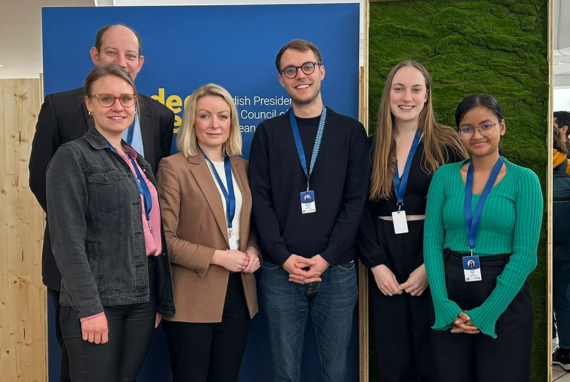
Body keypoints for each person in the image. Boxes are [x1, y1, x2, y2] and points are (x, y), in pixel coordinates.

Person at [28, 24, 174, 382]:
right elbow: (65, 227)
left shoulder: (135, 157)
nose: (118, 106)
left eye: (126, 99)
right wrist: (89, 305)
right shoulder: (72, 154)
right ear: (89, 104)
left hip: (140, 293)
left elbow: (150, 222)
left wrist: (158, 297)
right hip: (95, 290)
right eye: (106, 99)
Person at [248, 39, 370, 382]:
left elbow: (355, 201)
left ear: (322, 71)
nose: (300, 75)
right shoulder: (267, 133)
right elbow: (262, 202)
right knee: (285, 372)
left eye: (307, 67)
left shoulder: (350, 132)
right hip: (279, 272)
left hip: (338, 270)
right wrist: (284, 257)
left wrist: (328, 257)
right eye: (290, 70)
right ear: (281, 80)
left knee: (335, 372)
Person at [357, 60, 467, 382]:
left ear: (427, 96)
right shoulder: (369, 145)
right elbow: (358, 210)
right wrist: (376, 264)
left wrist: (430, 268)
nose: (407, 97)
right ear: (388, 94)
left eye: (416, 89)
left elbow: (459, 211)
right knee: (392, 352)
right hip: (384, 257)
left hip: (431, 254)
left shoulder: (446, 145)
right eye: (399, 88)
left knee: (432, 348)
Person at [424, 93, 543, 382]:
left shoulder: (524, 179)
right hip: (451, 297)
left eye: (486, 125)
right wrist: (443, 305)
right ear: (460, 133)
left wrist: (486, 313)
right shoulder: (444, 176)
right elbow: (430, 245)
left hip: (504, 298)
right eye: (467, 128)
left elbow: (526, 255)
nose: (477, 135)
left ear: (502, 127)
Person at [156, 83, 260, 382]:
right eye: (205, 116)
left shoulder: (244, 168)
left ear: (232, 123)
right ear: (192, 122)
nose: (215, 124)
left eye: (223, 116)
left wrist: (253, 251)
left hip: (239, 295)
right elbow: (166, 240)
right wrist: (217, 257)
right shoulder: (173, 167)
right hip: (192, 298)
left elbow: (251, 227)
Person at [553, 125, 570, 371]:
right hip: (566, 245)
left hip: (544, 245)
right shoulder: (567, 165)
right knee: (564, 296)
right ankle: (565, 349)